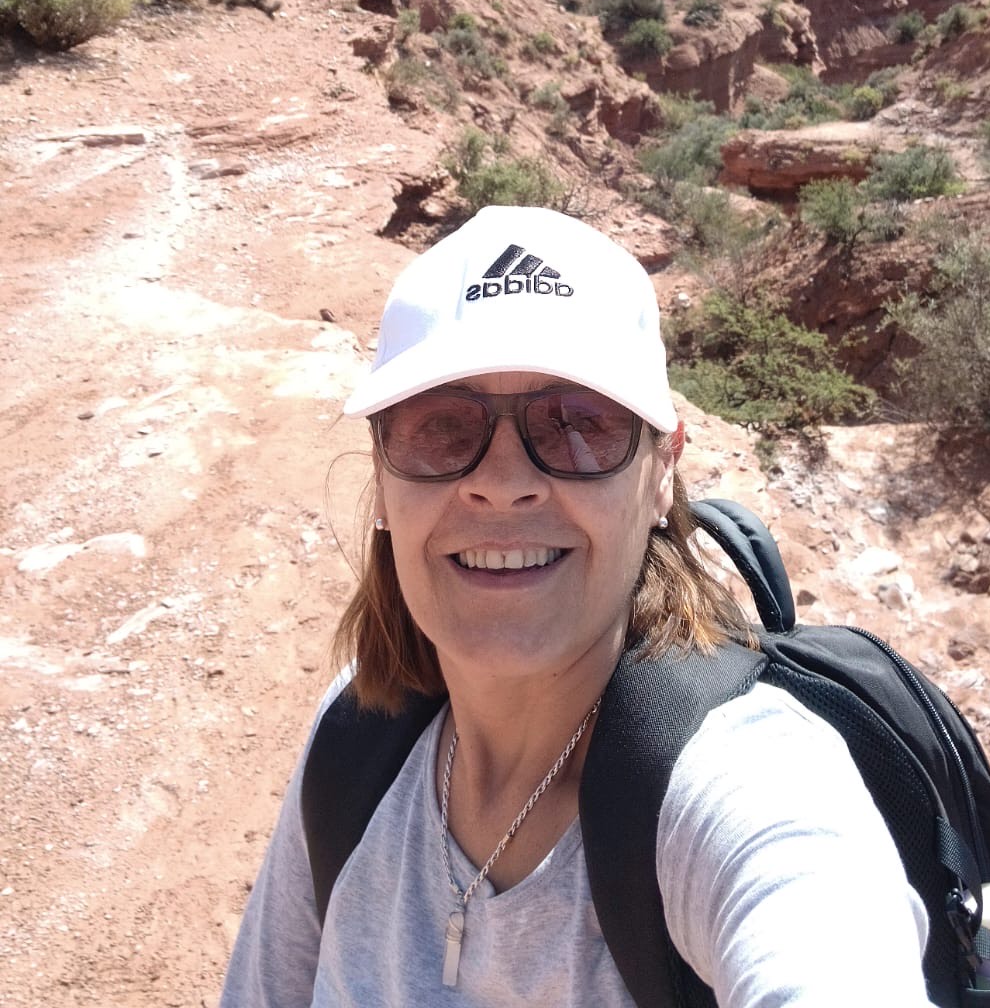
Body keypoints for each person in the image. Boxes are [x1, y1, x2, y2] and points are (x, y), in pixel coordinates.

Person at [220, 204, 932, 1006]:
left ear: (662, 470)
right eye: (441, 427)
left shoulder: (747, 786)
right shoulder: (356, 741)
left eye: (576, 426)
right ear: (383, 476)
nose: (502, 483)